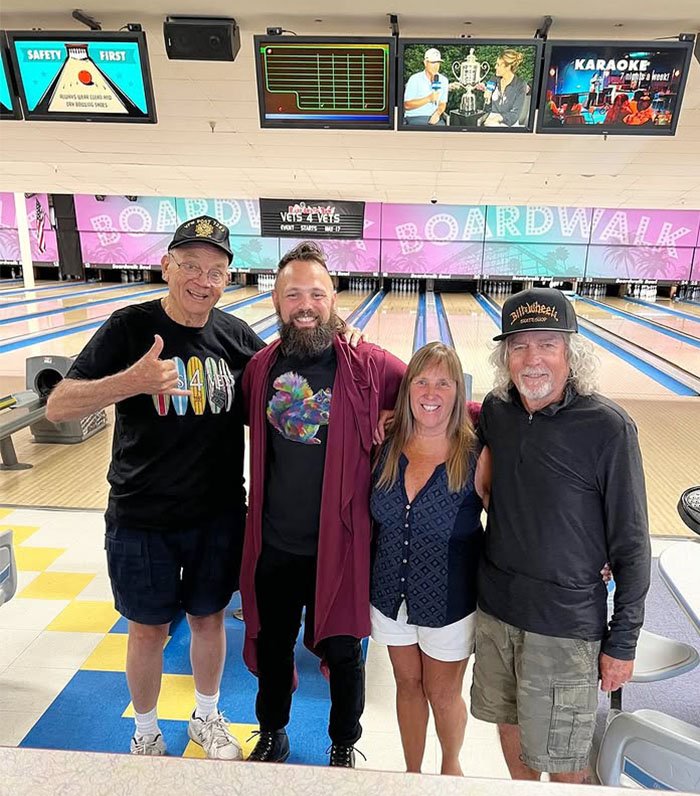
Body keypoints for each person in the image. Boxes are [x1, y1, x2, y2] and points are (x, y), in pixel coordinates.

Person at [45, 215, 266, 759]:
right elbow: (58, 406)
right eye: (190, 264)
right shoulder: (128, 327)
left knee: (209, 619)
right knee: (147, 630)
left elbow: (286, 390)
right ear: (166, 266)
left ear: (227, 278)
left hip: (216, 514)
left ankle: (207, 717)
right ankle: (145, 731)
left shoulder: (234, 336)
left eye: (215, 270)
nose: (202, 279)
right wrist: (132, 382)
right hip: (140, 516)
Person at [470, 287, 651, 784]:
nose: (532, 360)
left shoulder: (608, 427)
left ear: (571, 352)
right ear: (504, 354)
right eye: (519, 346)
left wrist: (624, 641)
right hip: (497, 612)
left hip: (565, 625)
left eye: (547, 344)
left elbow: (632, 545)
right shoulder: (496, 411)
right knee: (510, 735)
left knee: (566, 763)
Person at [240, 241, 406, 767]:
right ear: (275, 300)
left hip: (344, 546)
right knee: (272, 647)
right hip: (276, 544)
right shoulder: (261, 369)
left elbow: (435, 397)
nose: (305, 304)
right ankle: (272, 732)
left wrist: (503, 418)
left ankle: (342, 744)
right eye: (293, 294)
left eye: (316, 292)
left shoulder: (370, 365)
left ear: (335, 299)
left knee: (344, 653)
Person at [370, 342, 482, 776]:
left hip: (450, 602)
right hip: (389, 595)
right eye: (421, 381)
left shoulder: (475, 454)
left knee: (442, 692)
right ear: (407, 390)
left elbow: (517, 521)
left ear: (458, 392)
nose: (431, 392)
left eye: (443, 382)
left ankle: (450, 770)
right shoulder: (383, 446)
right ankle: (412, 776)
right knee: (407, 683)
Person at [476, 49, 529, 128]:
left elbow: (515, 115)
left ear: (508, 67)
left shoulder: (520, 85)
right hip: (490, 121)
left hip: (509, 124)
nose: (495, 67)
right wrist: (488, 90)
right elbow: (490, 84)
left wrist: (497, 118)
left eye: (498, 64)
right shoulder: (494, 79)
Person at [403, 48, 449, 126]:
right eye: (433, 63)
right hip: (415, 117)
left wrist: (437, 114)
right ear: (425, 63)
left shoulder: (444, 80)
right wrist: (429, 98)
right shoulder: (415, 79)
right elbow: (407, 105)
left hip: (435, 118)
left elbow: (442, 103)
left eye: (438, 63)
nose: (436, 66)